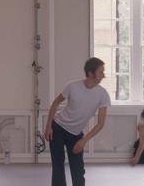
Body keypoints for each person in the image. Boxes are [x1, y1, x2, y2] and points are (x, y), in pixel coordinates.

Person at [45, 57, 111, 186]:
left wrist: (83, 140)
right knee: (58, 166)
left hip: (76, 135)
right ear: (91, 73)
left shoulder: (103, 94)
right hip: (58, 128)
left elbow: (101, 124)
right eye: (101, 72)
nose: (104, 75)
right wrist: (48, 127)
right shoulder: (72, 86)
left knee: (78, 170)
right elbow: (55, 103)